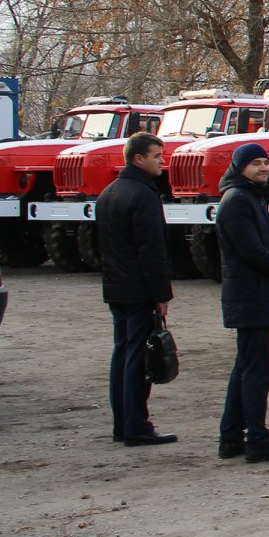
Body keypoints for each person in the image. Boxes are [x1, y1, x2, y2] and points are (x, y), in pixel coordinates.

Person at [215, 144, 269, 463]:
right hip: (247, 294)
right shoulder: (237, 200)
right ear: (240, 168)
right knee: (256, 371)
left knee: (245, 368)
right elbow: (252, 250)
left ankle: (232, 437)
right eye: (255, 163)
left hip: (251, 293)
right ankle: (257, 441)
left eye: (266, 162)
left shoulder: (247, 196)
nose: (264, 168)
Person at [96, 132, 176, 445]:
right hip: (139, 288)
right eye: (157, 156)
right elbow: (151, 251)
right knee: (137, 358)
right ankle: (136, 426)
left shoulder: (109, 192)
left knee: (122, 354)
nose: (162, 161)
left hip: (116, 287)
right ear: (138, 158)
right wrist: (161, 295)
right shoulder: (143, 195)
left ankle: (123, 423)